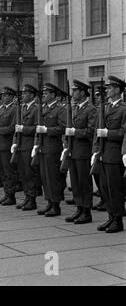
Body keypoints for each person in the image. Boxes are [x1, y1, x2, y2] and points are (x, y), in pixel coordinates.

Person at [95, 76, 126, 233]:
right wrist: (95, 152)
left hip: (114, 155)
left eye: (110, 88)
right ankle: (111, 216)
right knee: (104, 187)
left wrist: (108, 133)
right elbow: (97, 133)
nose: (107, 90)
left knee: (115, 188)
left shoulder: (123, 109)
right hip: (103, 154)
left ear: (118, 90)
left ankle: (118, 220)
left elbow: (123, 132)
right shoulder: (104, 107)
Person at [63, 80, 96, 224]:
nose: (72, 93)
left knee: (84, 182)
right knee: (75, 182)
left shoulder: (91, 109)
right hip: (72, 150)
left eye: (75, 91)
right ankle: (79, 208)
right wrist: (66, 145)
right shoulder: (74, 108)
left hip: (83, 151)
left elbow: (91, 131)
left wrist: (75, 132)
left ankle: (87, 211)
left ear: (83, 92)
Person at [34, 83, 67, 217]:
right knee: (45, 177)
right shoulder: (43, 108)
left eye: (47, 93)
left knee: (53, 177)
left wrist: (47, 130)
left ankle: (56, 205)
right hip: (43, 146)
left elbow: (63, 128)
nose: (44, 95)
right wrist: (36, 144)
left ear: (53, 95)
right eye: (43, 93)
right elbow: (37, 128)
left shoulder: (60, 109)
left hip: (53, 147)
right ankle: (49, 202)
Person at [12, 84, 42, 211]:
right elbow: (16, 128)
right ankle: (26, 197)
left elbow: (37, 128)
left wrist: (24, 129)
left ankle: (32, 199)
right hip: (20, 144)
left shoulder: (36, 109)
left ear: (31, 95)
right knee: (23, 173)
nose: (23, 96)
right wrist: (14, 142)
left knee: (30, 173)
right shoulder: (22, 108)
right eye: (22, 94)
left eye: (25, 94)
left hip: (29, 145)